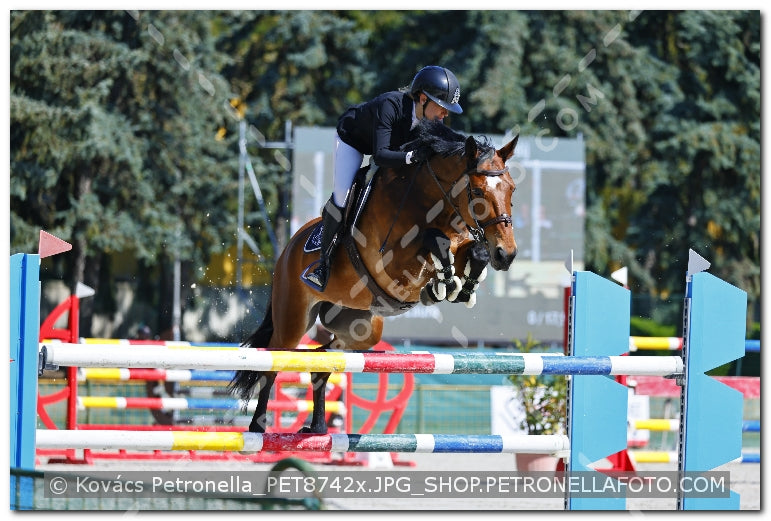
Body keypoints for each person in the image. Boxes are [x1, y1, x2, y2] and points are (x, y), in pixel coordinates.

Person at [306, 65, 463, 291]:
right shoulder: (390, 105)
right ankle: (323, 264)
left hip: (388, 150)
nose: (445, 114)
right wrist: (411, 156)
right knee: (343, 196)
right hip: (353, 141)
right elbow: (380, 156)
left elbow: (450, 141)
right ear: (422, 99)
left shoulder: (430, 120)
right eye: (442, 107)